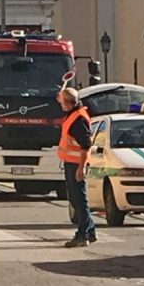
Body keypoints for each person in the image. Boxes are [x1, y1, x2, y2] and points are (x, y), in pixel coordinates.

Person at [57, 86, 97, 248]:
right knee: (76, 200)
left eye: (62, 102)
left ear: (68, 103)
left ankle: (82, 235)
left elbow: (86, 145)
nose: (60, 105)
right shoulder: (73, 113)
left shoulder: (78, 119)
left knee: (79, 201)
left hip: (76, 165)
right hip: (71, 163)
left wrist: (81, 168)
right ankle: (90, 231)